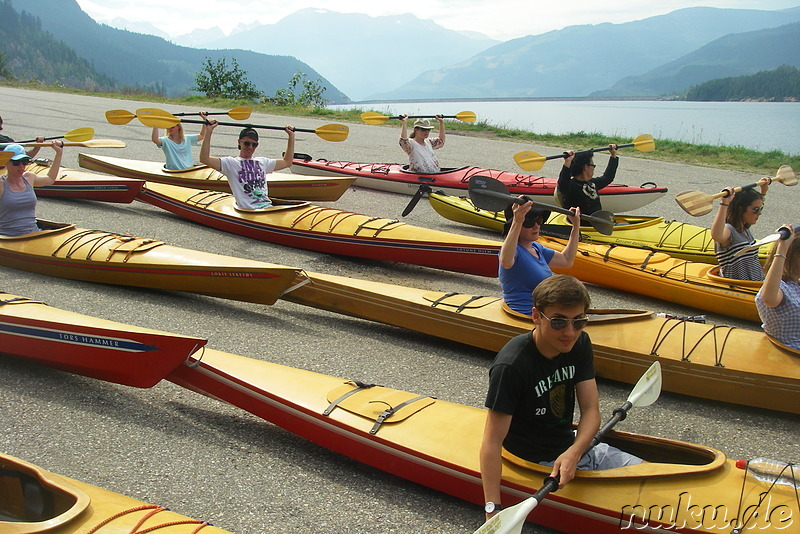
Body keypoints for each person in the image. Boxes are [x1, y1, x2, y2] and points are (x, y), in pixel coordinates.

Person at [479, 274, 643, 520]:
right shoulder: (511, 366)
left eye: (579, 321)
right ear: (536, 316)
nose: (570, 332)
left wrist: (574, 452)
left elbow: (590, 410)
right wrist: (493, 508)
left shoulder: (580, 342)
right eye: (558, 322)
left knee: (647, 472)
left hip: (574, 446)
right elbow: (491, 443)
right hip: (537, 463)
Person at [499, 199, 581, 315]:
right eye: (529, 223)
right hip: (523, 315)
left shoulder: (537, 248)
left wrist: (576, 226)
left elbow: (567, 260)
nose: (536, 226)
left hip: (543, 313)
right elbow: (506, 261)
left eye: (538, 220)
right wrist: (517, 221)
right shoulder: (514, 250)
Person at [198, 112, 294, 210]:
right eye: (247, 143)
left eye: (254, 144)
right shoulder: (230, 163)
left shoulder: (263, 162)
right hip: (249, 211)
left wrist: (291, 136)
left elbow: (287, 162)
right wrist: (209, 131)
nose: (250, 147)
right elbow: (204, 158)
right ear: (239, 142)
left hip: (266, 208)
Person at [0, 142, 64, 236]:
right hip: (8, 237)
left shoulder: (29, 178)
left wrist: (59, 153)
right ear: (6, 163)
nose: (21, 167)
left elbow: (50, 179)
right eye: (16, 163)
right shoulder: (1, 184)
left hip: (33, 234)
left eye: (25, 162)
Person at [710, 179, 769, 281]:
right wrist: (724, 203)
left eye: (761, 208)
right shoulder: (729, 230)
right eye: (756, 210)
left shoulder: (744, 229)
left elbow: (755, 203)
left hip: (756, 283)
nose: (759, 213)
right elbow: (716, 235)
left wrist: (763, 191)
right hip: (740, 287)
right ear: (740, 209)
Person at [755, 226, 799, 349]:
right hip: (791, 353)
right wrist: (782, 249)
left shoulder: (796, 283)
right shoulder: (780, 288)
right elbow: (769, 299)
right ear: (790, 257)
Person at [557, 145, 618, 216]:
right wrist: (568, 162)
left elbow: (608, 177)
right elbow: (563, 182)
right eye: (593, 165)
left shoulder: (593, 183)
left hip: (597, 223)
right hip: (581, 224)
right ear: (586, 167)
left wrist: (613, 155)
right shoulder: (571, 185)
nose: (594, 168)